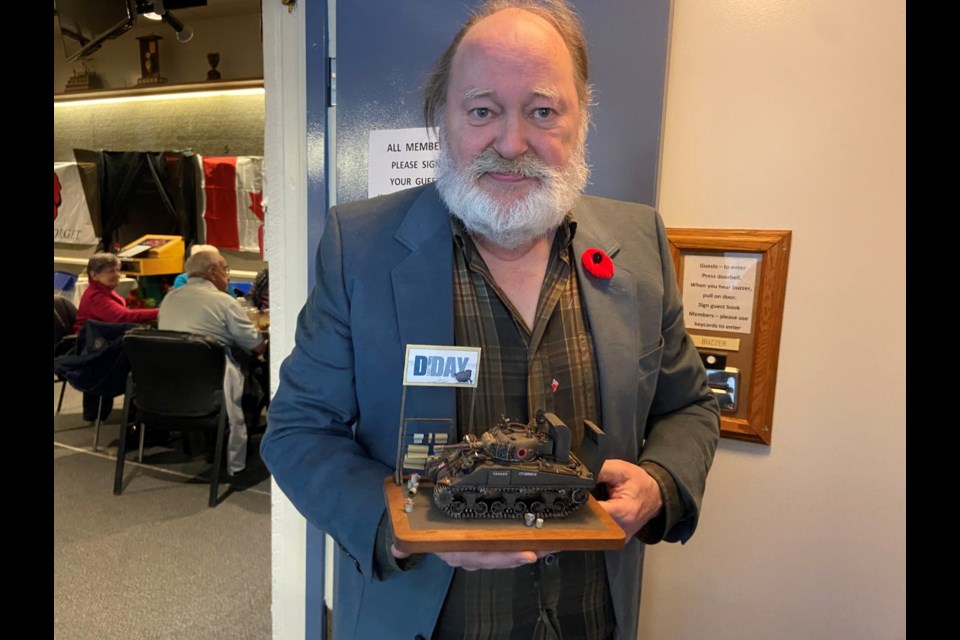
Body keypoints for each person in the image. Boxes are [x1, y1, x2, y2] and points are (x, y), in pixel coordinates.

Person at [260, 2, 721, 639]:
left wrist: (661, 483)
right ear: (442, 120)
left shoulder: (638, 244)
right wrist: (400, 525)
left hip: (593, 619)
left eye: (542, 110)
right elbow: (296, 430)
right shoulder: (359, 246)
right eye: (482, 110)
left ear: (580, 118)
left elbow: (689, 405)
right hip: (420, 621)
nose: (511, 142)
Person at [158, 249, 267, 476]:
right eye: (225, 269)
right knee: (257, 379)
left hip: (167, 387)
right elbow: (256, 345)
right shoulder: (224, 302)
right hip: (213, 384)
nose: (227, 276)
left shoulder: (169, 298)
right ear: (212, 272)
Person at [73, 252, 159, 422]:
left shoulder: (103, 291)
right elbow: (122, 317)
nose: (116, 275)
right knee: (145, 358)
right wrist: (160, 311)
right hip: (93, 347)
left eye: (117, 270)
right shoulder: (96, 296)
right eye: (110, 272)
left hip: (104, 341)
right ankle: (142, 411)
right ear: (94, 275)